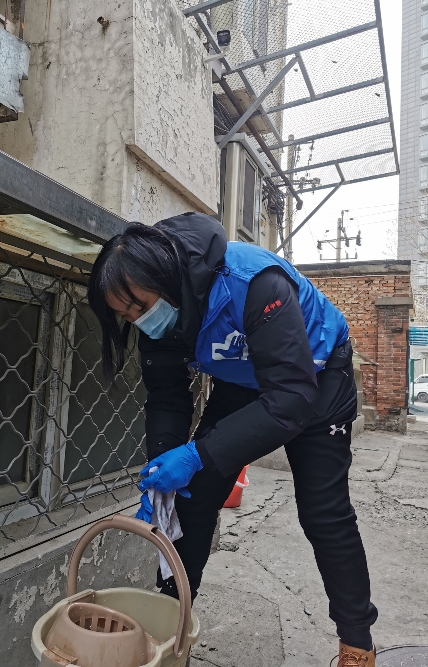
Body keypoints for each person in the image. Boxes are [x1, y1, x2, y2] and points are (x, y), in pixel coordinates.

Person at [88, 212, 378, 667]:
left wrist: (198, 452)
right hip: (242, 381)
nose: (139, 320)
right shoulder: (158, 316)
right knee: (189, 497)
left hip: (316, 378)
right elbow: (167, 398)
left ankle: (356, 644)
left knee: (324, 512)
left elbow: (290, 398)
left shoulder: (254, 282)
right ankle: (171, 629)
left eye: (140, 307)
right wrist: (164, 468)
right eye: (125, 316)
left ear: (165, 278)